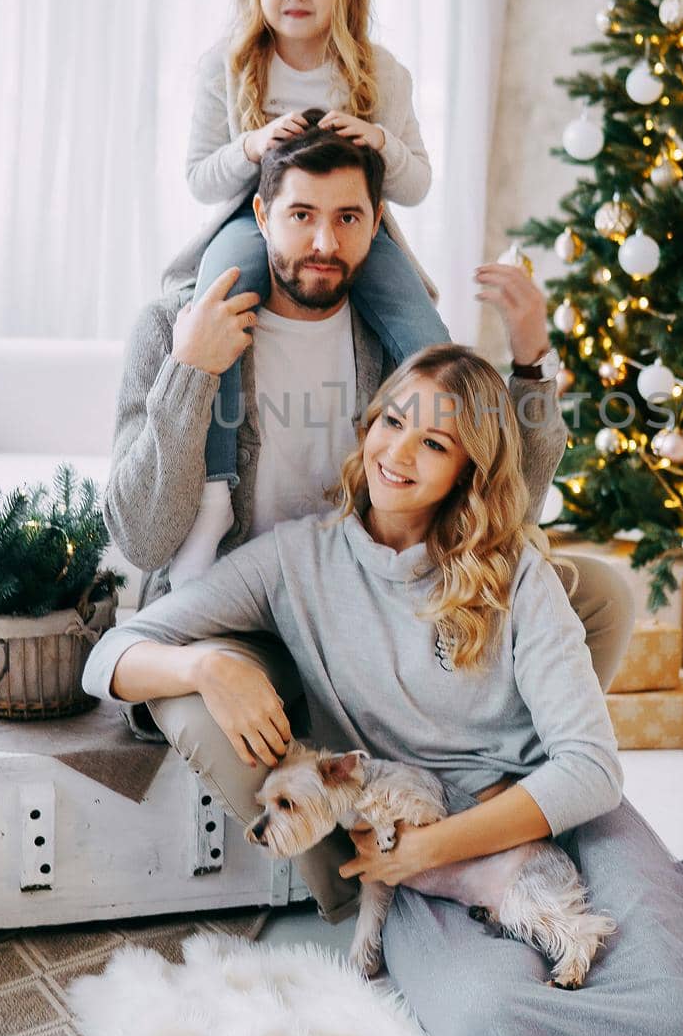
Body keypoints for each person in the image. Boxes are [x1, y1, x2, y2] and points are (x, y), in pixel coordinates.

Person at [84, 346, 683, 1036]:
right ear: (369, 424)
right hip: (418, 862)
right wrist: (205, 663)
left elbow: (589, 768)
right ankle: (639, 959)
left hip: (553, 816)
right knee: (492, 1032)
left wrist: (433, 848)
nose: (398, 453)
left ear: (468, 469)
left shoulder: (515, 574)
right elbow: (107, 657)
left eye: (434, 444)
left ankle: (667, 935)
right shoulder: (291, 562)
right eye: (393, 422)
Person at [103, 119, 634, 920]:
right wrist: (189, 373)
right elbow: (141, 535)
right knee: (189, 703)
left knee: (596, 591)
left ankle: (490, 801)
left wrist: (531, 364)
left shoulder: (389, 340)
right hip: (248, 599)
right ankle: (367, 881)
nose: (324, 240)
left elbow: (499, 491)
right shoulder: (175, 326)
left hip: (378, 593)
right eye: (301, 215)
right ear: (259, 215)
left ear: (376, 226)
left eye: (347, 218)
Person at [164, 0, 448, 498]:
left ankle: (440, 481)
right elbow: (197, 179)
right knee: (220, 301)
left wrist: (380, 143)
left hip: (353, 227)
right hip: (253, 219)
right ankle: (217, 488)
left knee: (426, 332)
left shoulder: (380, 72)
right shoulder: (228, 67)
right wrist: (250, 146)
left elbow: (417, 184)